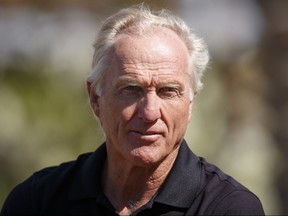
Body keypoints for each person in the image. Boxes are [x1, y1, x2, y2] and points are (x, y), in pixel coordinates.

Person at [1, 4, 265, 216]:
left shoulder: (227, 207)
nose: (150, 113)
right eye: (131, 89)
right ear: (95, 97)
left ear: (191, 103)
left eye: (168, 91)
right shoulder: (38, 201)